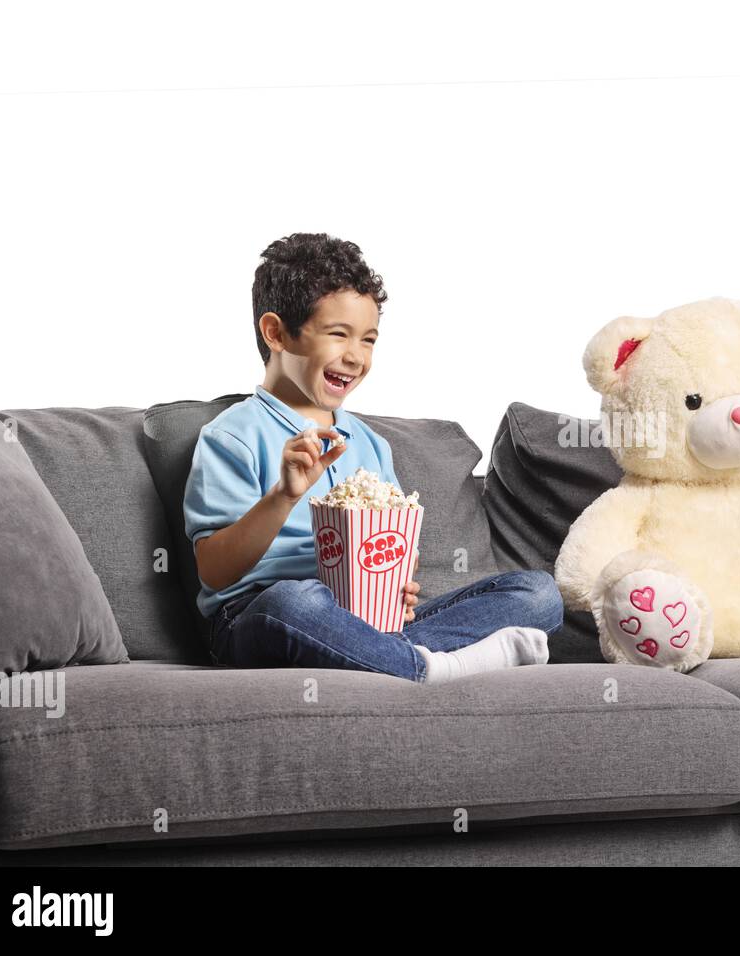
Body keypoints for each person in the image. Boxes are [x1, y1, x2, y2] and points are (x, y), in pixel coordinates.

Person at [183, 232, 562, 683]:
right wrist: (283, 496)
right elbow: (214, 571)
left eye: (368, 340)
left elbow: (390, 548)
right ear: (276, 332)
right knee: (296, 601)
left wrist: (395, 582)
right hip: (259, 616)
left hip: (365, 618)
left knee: (538, 593)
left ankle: (386, 656)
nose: (355, 356)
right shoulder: (232, 436)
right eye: (338, 334)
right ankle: (433, 665)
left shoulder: (369, 444)